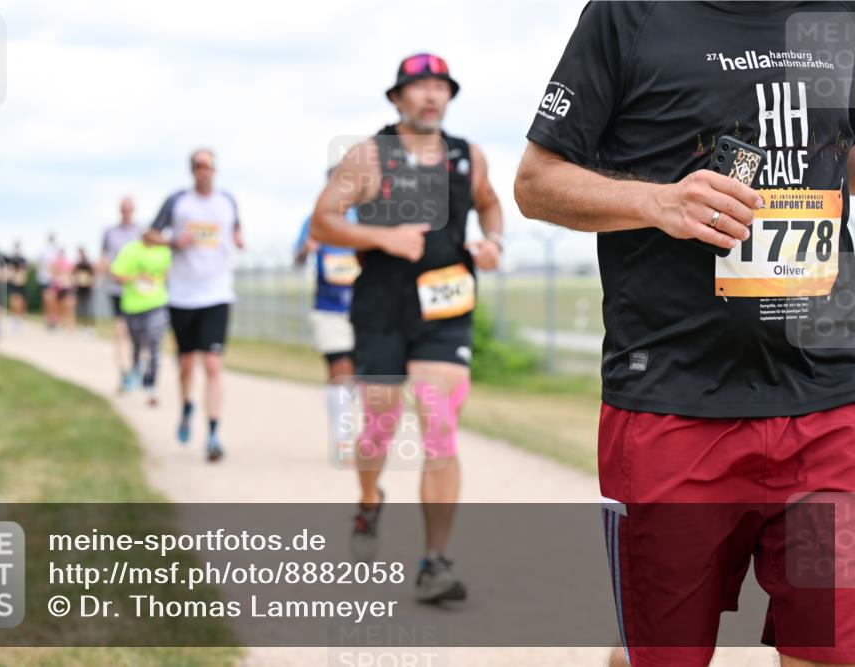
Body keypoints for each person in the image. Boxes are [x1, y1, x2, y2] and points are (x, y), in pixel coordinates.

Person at [514, 3, 855, 666]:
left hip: (829, 408)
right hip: (674, 404)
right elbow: (536, 184)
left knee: (832, 650)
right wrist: (660, 202)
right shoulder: (629, 14)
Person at [311, 53, 504, 603]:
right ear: (397, 99)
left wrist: (493, 243)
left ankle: (434, 561)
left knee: (439, 425)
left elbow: (490, 207)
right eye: (418, 86)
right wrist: (382, 238)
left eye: (440, 86)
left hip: (446, 308)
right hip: (382, 310)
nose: (430, 95)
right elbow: (325, 220)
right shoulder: (369, 156)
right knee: (380, 423)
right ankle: (370, 499)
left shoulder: (469, 158)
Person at [147, 148, 244, 462]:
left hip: (217, 294)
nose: (204, 171)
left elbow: (236, 229)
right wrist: (174, 241)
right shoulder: (178, 202)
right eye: (199, 166)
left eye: (209, 166)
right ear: (192, 171)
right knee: (187, 364)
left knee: (213, 364)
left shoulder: (227, 201)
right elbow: (149, 235)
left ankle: (213, 433)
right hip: (183, 296)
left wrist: (240, 239)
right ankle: (187, 406)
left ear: (215, 170)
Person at [295, 169, 361, 465]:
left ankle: (348, 430)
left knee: (356, 377)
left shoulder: (365, 217)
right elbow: (297, 261)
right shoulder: (314, 222)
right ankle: (342, 439)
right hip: (328, 307)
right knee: (340, 371)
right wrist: (306, 250)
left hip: (362, 308)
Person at [110, 231, 172, 407]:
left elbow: (167, 272)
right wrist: (135, 277)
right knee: (137, 344)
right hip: (133, 306)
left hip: (157, 304)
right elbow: (115, 274)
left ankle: (152, 384)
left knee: (154, 342)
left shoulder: (164, 251)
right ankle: (136, 369)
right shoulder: (130, 250)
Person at [101, 197, 141, 391]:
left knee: (137, 335)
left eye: (129, 209)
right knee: (120, 332)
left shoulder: (140, 232)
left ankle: (136, 367)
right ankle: (123, 371)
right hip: (118, 290)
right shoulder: (110, 232)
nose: (126, 212)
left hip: (139, 292)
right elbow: (104, 257)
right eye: (123, 209)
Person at [37, 234, 60, 329]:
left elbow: (57, 266)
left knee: (52, 300)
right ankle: (48, 319)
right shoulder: (44, 251)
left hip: (52, 279)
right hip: (43, 278)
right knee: (46, 300)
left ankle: (53, 319)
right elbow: (40, 264)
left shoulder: (56, 251)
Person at [5, 241, 28, 331]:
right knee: (14, 302)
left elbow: (24, 272)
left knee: (21, 303)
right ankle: (14, 320)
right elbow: (9, 272)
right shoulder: (10, 260)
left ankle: (19, 320)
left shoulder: (23, 260)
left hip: (21, 285)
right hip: (13, 284)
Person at [51, 249, 76, 331]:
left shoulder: (68, 263)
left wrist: (69, 283)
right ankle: (57, 322)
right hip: (58, 287)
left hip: (67, 287)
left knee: (68, 306)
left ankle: (69, 325)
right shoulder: (56, 263)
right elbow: (54, 275)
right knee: (58, 306)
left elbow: (71, 275)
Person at [73, 247, 96, 334]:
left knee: (88, 308)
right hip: (80, 288)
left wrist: (91, 281)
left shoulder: (88, 264)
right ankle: (81, 325)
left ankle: (89, 326)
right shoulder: (78, 265)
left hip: (87, 289)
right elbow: (74, 275)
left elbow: (93, 275)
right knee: (80, 308)